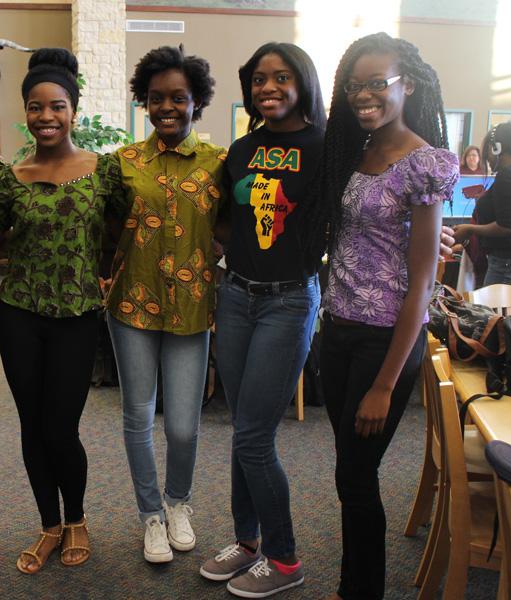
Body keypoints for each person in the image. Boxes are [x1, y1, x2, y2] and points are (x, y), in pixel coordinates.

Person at [302, 32, 458, 600]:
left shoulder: (424, 163)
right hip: (339, 331)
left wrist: (386, 386)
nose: (364, 95)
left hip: (384, 342)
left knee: (358, 478)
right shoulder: (355, 150)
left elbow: (422, 284)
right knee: (351, 471)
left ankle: (360, 591)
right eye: (355, 85)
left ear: (407, 85)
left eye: (377, 83)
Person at [0, 48, 126, 574]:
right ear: (26, 111)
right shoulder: (8, 177)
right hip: (19, 313)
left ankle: (77, 518)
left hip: (77, 316)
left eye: (57, 106)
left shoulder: (103, 171)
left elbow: (119, 234)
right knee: (31, 424)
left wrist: (105, 271)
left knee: (62, 427)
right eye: (36, 107)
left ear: (74, 111)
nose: (46, 117)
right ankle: (47, 524)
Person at [200, 42, 325, 597]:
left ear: (302, 82)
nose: (267, 87)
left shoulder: (326, 147)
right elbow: (228, 222)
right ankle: (248, 544)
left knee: (253, 435)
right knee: (240, 430)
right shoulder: (242, 149)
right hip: (237, 295)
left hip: (289, 299)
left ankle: (285, 559)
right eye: (257, 80)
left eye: (280, 77)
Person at [105, 45, 226, 564]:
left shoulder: (219, 162)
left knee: (182, 423)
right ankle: (150, 514)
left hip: (192, 306)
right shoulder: (124, 162)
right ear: (144, 102)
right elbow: (104, 227)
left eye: (178, 97)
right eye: (156, 98)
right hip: (132, 303)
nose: (166, 107)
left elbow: (235, 226)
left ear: (197, 101)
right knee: (137, 415)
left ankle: (180, 502)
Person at [453, 122, 511, 286]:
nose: (486, 157)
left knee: (495, 312)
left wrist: (469, 229)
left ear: (496, 148)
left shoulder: (508, 176)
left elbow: (508, 226)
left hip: (508, 266)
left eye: (487, 149)